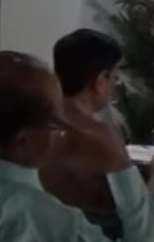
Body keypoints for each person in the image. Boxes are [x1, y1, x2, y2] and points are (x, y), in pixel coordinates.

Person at [0, 51, 154, 242]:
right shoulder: (35, 216)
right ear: (23, 140)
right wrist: (119, 165)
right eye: (56, 122)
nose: (66, 131)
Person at [39, 29, 124, 214]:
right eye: (114, 77)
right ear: (100, 80)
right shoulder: (100, 136)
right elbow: (131, 208)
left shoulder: (32, 127)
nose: (114, 86)